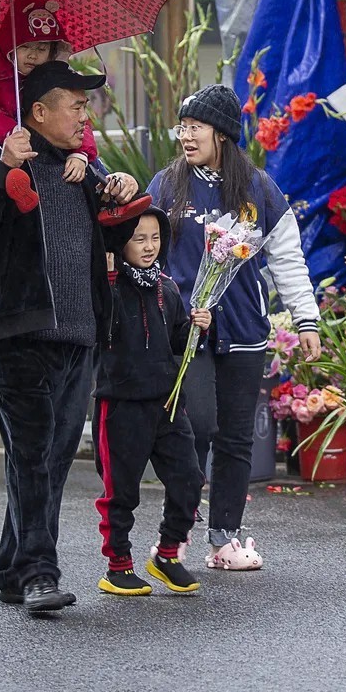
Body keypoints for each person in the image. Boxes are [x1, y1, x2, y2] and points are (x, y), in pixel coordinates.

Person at [0, 60, 140, 615]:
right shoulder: (0, 158)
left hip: (78, 335)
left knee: (52, 459)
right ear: (38, 111)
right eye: (75, 105)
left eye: (86, 105)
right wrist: (0, 169)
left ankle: (12, 568)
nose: (85, 114)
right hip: (14, 331)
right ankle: (38, 574)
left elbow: (127, 234)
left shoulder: (83, 170)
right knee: (32, 453)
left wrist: (123, 189)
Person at [147, 84, 321, 571]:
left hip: (245, 330)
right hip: (188, 333)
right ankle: (174, 534)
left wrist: (306, 320)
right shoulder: (165, 186)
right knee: (195, 427)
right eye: (182, 126)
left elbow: (288, 260)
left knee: (236, 438)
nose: (185, 135)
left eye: (195, 126)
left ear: (222, 133)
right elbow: (145, 249)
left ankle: (224, 537)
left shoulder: (259, 189)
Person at [93, 208, 208, 597]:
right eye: (138, 238)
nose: (149, 246)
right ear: (120, 241)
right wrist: (105, 271)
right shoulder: (106, 285)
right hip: (122, 402)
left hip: (167, 403)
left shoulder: (167, 287)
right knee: (120, 490)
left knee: (189, 479)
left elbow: (178, 342)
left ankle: (168, 554)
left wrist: (198, 327)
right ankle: (118, 565)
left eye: (155, 238)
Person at [0, 0, 98, 193]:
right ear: (9, 43)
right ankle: (17, 190)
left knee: (75, 144)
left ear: (52, 50)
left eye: (41, 49)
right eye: (24, 47)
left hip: (26, 148)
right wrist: (11, 130)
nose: (33, 55)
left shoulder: (50, 75)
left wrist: (81, 154)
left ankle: (109, 191)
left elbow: (76, 117)